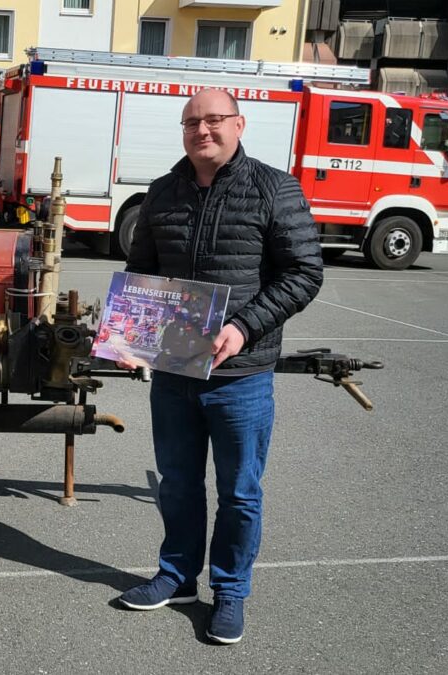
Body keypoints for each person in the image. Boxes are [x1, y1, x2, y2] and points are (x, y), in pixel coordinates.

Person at [117, 88, 323, 644]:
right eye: (191, 122)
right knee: (179, 483)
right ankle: (179, 576)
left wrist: (244, 326)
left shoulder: (273, 189)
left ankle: (230, 592)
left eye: (212, 120)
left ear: (239, 124)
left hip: (242, 376)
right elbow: (142, 275)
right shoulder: (162, 192)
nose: (201, 131)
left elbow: (304, 272)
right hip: (175, 372)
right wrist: (132, 333)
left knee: (239, 492)